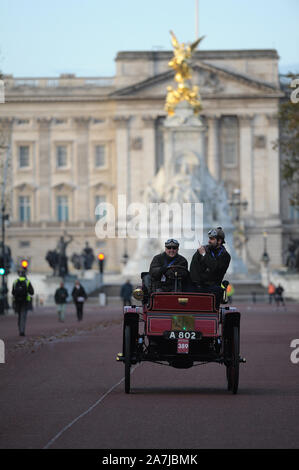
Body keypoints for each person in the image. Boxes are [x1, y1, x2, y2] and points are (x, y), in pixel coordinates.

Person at [190, 227, 231, 309]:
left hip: (213, 286)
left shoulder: (225, 256)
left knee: (217, 291)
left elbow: (215, 269)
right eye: (209, 238)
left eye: (212, 239)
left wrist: (205, 255)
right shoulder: (202, 251)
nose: (209, 241)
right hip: (198, 286)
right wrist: (197, 284)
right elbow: (193, 269)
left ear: (219, 241)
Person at [12, 269, 34, 336]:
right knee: (23, 316)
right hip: (25, 301)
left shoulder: (15, 281)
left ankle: (19, 327)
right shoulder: (27, 281)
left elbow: (12, 292)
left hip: (17, 301)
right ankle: (22, 330)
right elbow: (32, 292)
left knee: (19, 315)